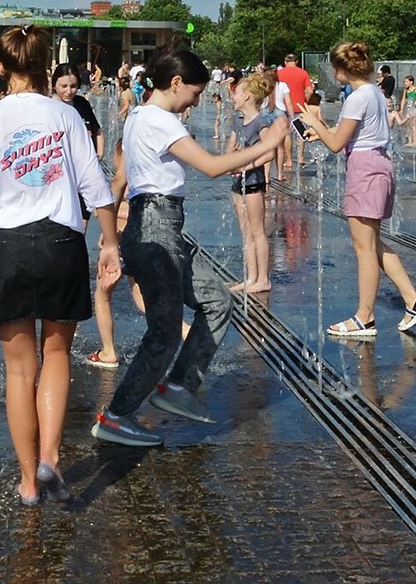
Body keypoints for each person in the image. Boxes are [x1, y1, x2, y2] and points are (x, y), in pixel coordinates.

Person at [0, 25, 120, 505]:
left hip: (6, 245)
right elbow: (96, 186)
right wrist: (109, 243)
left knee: (19, 370)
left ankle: (28, 482)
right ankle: (51, 457)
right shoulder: (65, 115)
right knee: (59, 355)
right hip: (62, 241)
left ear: (0, 67)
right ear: (45, 64)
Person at [91, 48, 288, 447]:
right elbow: (212, 167)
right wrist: (275, 140)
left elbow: (125, 179)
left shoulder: (139, 117)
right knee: (163, 333)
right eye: (194, 93)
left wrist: (112, 235)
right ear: (176, 83)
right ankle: (116, 415)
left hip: (162, 224)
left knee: (217, 301)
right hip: (156, 226)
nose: (196, 102)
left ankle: (179, 385)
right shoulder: (161, 121)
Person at [295, 41, 416, 339]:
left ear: (344, 69)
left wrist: (314, 123)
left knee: (364, 249)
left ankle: (364, 318)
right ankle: (413, 301)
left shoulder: (357, 98)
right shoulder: (376, 93)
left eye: (335, 67)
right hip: (379, 165)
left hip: (365, 170)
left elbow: (335, 145)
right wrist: (321, 132)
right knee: (375, 244)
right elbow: (350, 136)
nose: (333, 73)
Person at [87, 139, 147, 370]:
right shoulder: (144, 177)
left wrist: (108, 225)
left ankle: (108, 351)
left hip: (123, 242)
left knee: (102, 294)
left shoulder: (126, 180)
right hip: (133, 241)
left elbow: (121, 208)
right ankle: (183, 331)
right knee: (142, 299)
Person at [227, 73, 277, 294]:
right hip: (239, 182)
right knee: (245, 231)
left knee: (257, 231)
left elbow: (270, 152)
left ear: (246, 96)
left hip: (254, 181)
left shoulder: (261, 122)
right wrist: (232, 158)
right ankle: (250, 277)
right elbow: (229, 150)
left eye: (236, 93)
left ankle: (263, 278)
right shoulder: (237, 122)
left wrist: (246, 165)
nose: (233, 97)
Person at [52, 63, 104, 159]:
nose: (69, 91)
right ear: (54, 85)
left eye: (73, 86)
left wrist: (99, 155)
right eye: (64, 86)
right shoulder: (48, 107)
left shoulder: (81, 103)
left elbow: (97, 131)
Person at [277, 53, 313, 165]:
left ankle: (289, 160)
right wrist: (305, 101)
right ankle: (301, 158)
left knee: (287, 133)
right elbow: (309, 91)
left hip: (283, 107)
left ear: (285, 61)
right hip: (299, 106)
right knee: (301, 132)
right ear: (297, 61)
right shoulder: (303, 73)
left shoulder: (279, 73)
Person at [398, 75, 416, 147]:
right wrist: (401, 109)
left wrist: (413, 106)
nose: (405, 83)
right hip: (408, 109)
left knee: (413, 125)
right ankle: (409, 141)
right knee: (408, 125)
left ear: (411, 82)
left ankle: (415, 142)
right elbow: (403, 100)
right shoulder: (406, 90)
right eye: (404, 82)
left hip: (414, 109)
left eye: (406, 82)